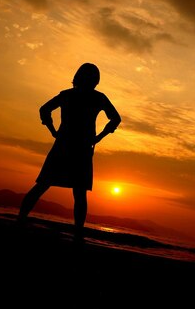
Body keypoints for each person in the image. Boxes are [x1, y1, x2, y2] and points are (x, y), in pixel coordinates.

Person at [17, 63, 121, 240]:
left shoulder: (68, 95)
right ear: (96, 80)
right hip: (81, 149)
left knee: (43, 185)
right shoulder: (98, 98)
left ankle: (20, 220)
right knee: (78, 193)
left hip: (64, 145)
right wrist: (99, 137)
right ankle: (78, 233)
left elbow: (44, 110)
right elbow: (116, 119)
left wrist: (52, 130)